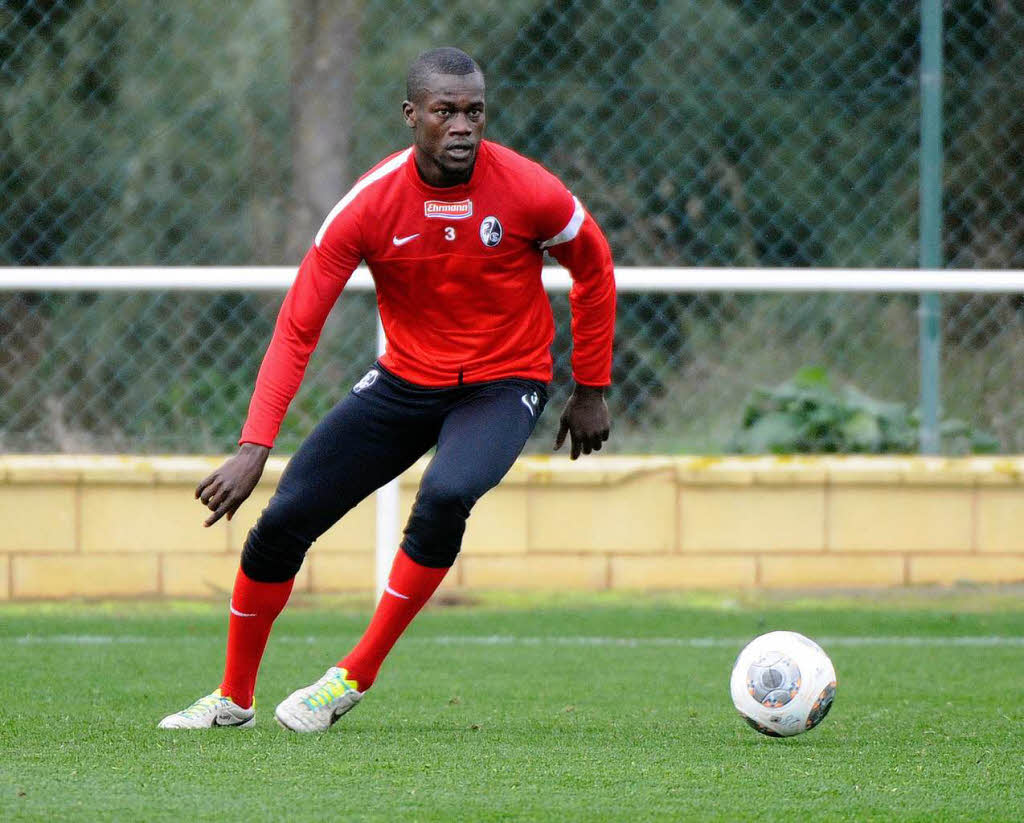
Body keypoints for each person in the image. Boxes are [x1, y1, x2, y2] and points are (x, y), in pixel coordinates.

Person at [159, 47, 615, 732]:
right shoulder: (368, 205)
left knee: (446, 494)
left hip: (504, 382)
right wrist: (255, 444)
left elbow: (595, 268)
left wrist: (590, 387)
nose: (463, 125)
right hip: (406, 379)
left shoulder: (529, 190)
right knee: (282, 521)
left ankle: (353, 674)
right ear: (412, 115)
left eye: (474, 111)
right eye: (445, 111)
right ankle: (233, 697)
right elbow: (296, 328)